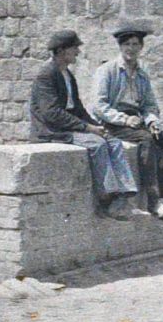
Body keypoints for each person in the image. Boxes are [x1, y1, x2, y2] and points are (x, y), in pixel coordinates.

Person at [29, 29, 142, 219]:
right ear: (62, 50)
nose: (78, 52)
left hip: (69, 127)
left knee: (113, 142)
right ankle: (107, 197)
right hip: (52, 131)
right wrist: (88, 128)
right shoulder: (46, 75)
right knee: (97, 144)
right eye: (74, 48)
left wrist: (97, 126)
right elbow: (51, 113)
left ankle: (125, 194)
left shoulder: (67, 74)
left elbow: (78, 108)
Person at [92, 22, 163, 224]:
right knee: (147, 140)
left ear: (141, 47)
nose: (131, 49)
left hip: (136, 121)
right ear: (120, 46)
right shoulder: (107, 71)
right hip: (113, 122)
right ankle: (153, 201)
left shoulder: (141, 74)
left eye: (135, 44)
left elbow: (149, 105)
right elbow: (99, 106)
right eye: (127, 44)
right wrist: (124, 119)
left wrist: (152, 121)